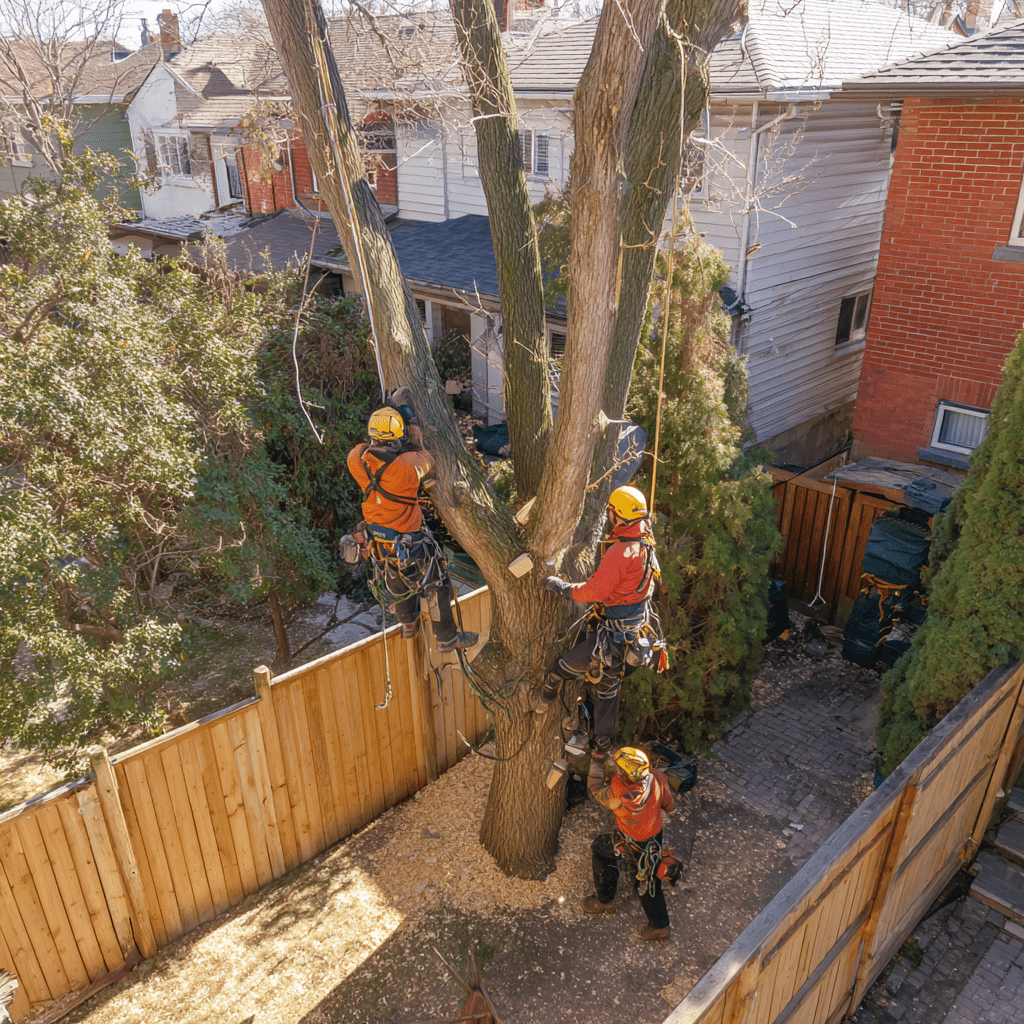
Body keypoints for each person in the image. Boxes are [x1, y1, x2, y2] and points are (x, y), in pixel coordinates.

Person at [534, 485, 664, 779]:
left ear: (616, 515)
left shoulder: (622, 552)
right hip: (632, 638)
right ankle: (600, 753)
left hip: (613, 642)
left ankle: (546, 695)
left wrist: (562, 587)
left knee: (562, 666)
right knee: (608, 692)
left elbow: (594, 591)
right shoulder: (646, 544)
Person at [345, 403, 477, 652]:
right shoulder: (407, 465)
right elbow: (426, 457)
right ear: (398, 438)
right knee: (436, 584)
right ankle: (447, 638)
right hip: (409, 540)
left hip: (380, 541)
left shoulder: (356, 461)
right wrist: (411, 434)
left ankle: (407, 623)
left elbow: (365, 448)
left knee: (394, 577)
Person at [583, 746, 674, 941]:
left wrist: (597, 762)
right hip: (654, 835)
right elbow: (669, 805)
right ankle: (659, 925)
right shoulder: (657, 777)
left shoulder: (619, 797)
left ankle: (604, 901)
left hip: (630, 841)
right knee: (649, 878)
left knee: (601, 849)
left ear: (625, 775)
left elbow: (596, 789)